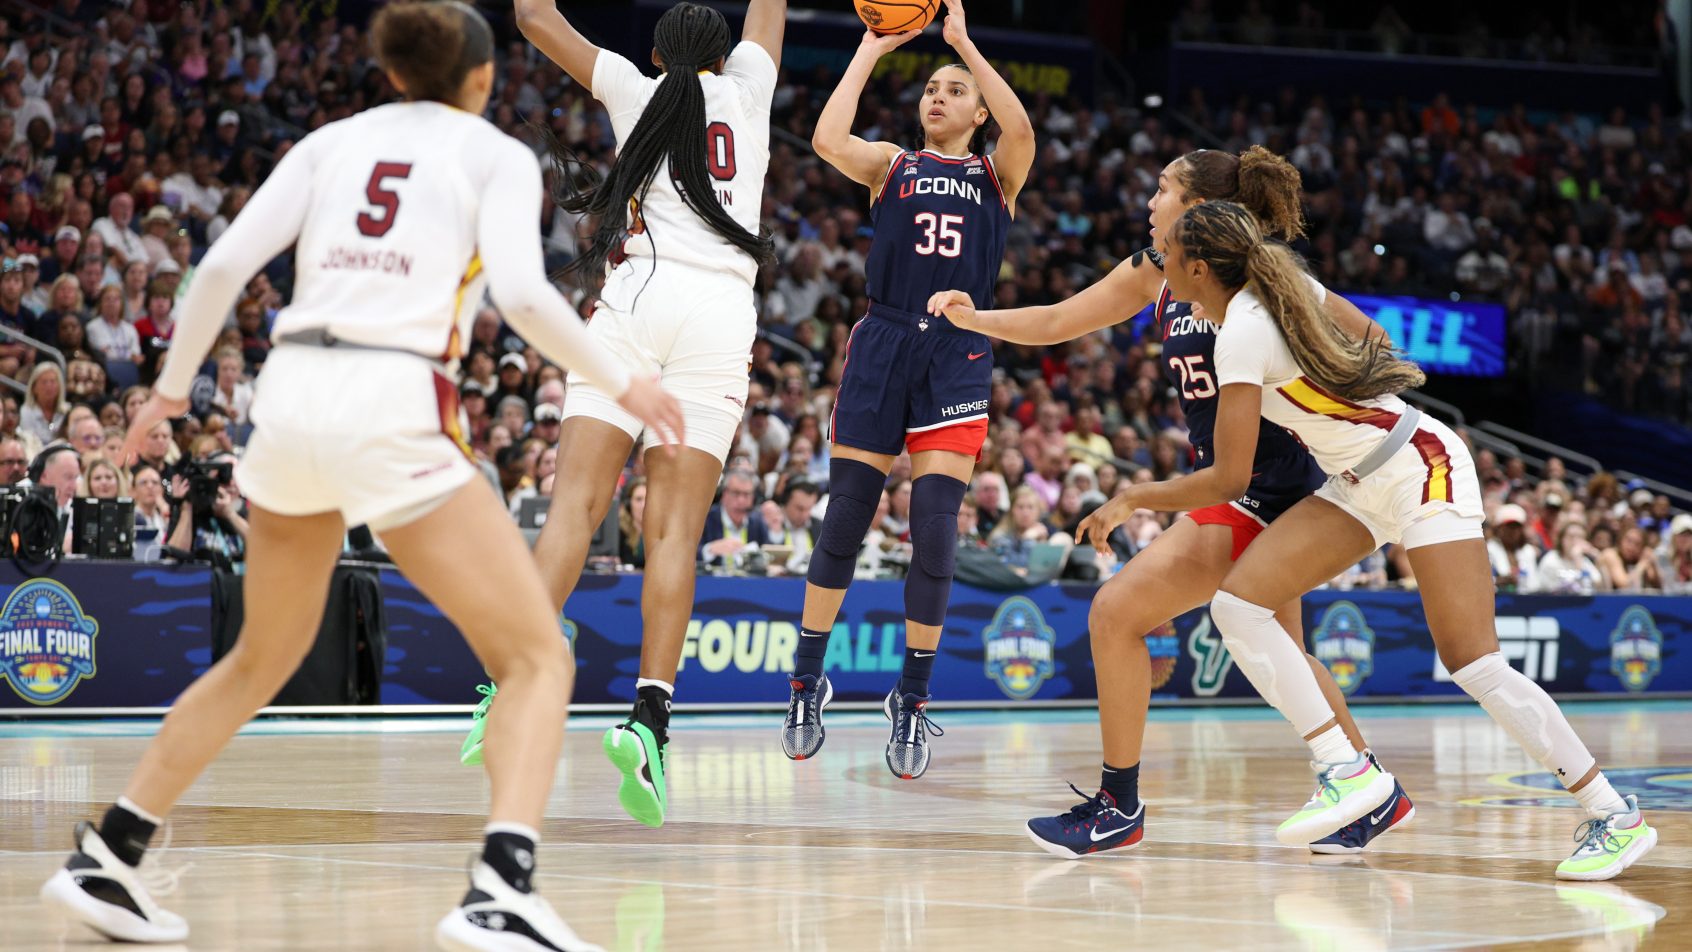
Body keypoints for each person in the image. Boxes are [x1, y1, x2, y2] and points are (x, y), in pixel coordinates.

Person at [37, 5, 680, 950]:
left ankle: (111, 855)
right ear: (482, 80)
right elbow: (524, 293)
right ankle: (503, 885)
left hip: (290, 399)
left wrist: (168, 395)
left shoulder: (330, 142)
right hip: (393, 396)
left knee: (260, 656)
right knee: (537, 657)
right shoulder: (494, 153)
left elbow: (218, 268)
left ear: (392, 74)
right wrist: (625, 378)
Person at [1076, 199, 1654, 880]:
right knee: (1239, 606)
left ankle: (1612, 813)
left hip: (1421, 465)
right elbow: (1372, 336)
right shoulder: (1267, 290)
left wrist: (1132, 497)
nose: (1161, 273)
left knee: (1473, 660)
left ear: (1199, 267)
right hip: (1357, 481)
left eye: (1168, 260)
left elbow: (1228, 475)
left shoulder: (1239, 333)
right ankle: (1346, 770)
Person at [930, 147, 1397, 857]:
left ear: (1198, 204)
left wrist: (1331, 413)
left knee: (1116, 614)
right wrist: (976, 320)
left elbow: (1374, 342)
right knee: (1288, 659)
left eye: (1162, 188)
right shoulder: (1156, 270)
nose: (1149, 200)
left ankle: (1118, 805)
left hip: (1264, 483)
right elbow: (1060, 320)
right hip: (1243, 483)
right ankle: (1374, 795)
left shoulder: (1264, 276)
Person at [476, 0, 785, 831]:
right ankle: (649, 719)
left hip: (639, 298)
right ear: (725, 62)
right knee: (674, 534)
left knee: (574, 506)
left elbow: (533, 16)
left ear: (655, 53)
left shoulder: (632, 88)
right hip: (721, 313)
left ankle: (510, 686)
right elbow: (771, 14)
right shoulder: (750, 91)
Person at [782, 0, 1035, 779]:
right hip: (884, 341)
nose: (938, 96)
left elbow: (1022, 130)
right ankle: (805, 680)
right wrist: (870, 45)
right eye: (931, 86)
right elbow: (828, 139)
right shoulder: (893, 163)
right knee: (845, 521)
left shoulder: (998, 171)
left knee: (933, 532)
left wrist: (964, 41)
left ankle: (913, 697)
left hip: (957, 352)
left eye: (955, 90)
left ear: (979, 110)